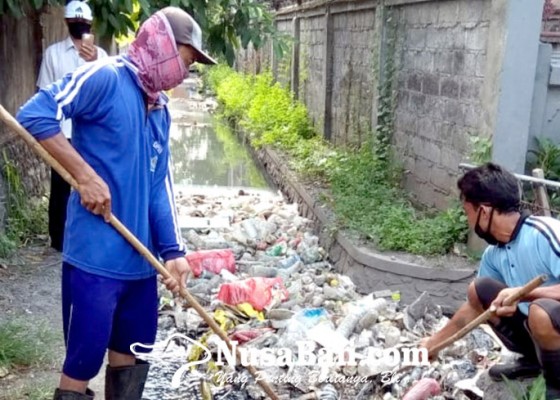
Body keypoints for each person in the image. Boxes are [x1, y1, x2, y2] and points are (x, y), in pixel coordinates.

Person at [17, 7, 216, 399]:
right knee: (81, 364)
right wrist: (85, 176)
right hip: (95, 260)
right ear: (160, 45)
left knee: (130, 359)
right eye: (186, 59)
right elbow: (35, 114)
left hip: (141, 267)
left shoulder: (160, 109)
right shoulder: (105, 76)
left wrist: (173, 252)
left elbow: (160, 186)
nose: (185, 72)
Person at [420, 163, 560, 400]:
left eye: (468, 213)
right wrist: (434, 344)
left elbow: (533, 301)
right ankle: (534, 361)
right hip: (539, 335)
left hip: (550, 321)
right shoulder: (494, 255)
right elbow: (474, 308)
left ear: (484, 212)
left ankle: (555, 390)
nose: (468, 222)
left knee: (540, 311)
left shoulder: (545, 232)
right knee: (480, 289)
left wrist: (525, 294)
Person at [37, 0, 108, 252]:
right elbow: (43, 93)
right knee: (60, 188)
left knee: (93, 184)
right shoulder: (53, 54)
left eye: (84, 23)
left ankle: (90, 237)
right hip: (62, 134)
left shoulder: (103, 58)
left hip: (93, 136)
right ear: (67, 23)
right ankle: (58, 240)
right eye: (75, 22)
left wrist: (95, 62)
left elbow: (107, 97)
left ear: (90, 25)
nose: (80, 26)